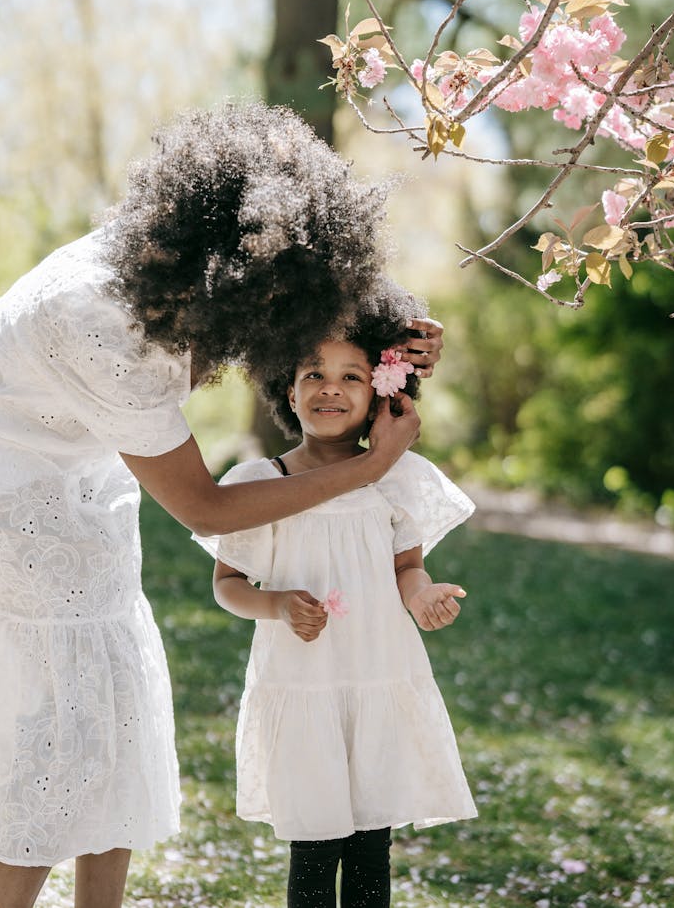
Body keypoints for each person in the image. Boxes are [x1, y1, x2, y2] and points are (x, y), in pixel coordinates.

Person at [0, 101, 442, 908]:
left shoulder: (182, 272)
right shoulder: (106, 322)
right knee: (67, 729)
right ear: (243, 270)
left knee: (120, 705)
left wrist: (393, 333)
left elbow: (323, 321)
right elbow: (205, 508)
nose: (285, 331)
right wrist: (367, 468)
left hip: (75, 457)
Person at [195, 281, 477, 908]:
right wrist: (274, 605)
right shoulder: (257, 483)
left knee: (372, 845)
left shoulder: (395, 479)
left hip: (378, 672)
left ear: (381, 392)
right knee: (316, 846)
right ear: (286, 389)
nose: (330, 387)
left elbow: (407, 567)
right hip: (301, 683)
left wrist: (422, 595)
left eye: (352, 376)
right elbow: (228, 585)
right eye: (313, 373)